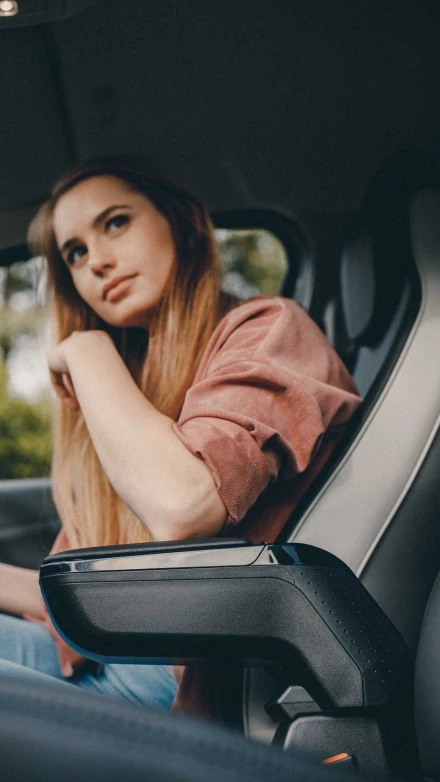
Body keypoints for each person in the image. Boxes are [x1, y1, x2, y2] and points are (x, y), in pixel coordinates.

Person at [0, 155, 362, 718]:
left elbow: (183, 505)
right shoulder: (129, 389)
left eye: (115, 222)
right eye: (75, 253)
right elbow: (81, 592)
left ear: (185, 222)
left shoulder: (269, 331)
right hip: (108, 654)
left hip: (184, 686)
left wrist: (87, 350)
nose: (97, 261)